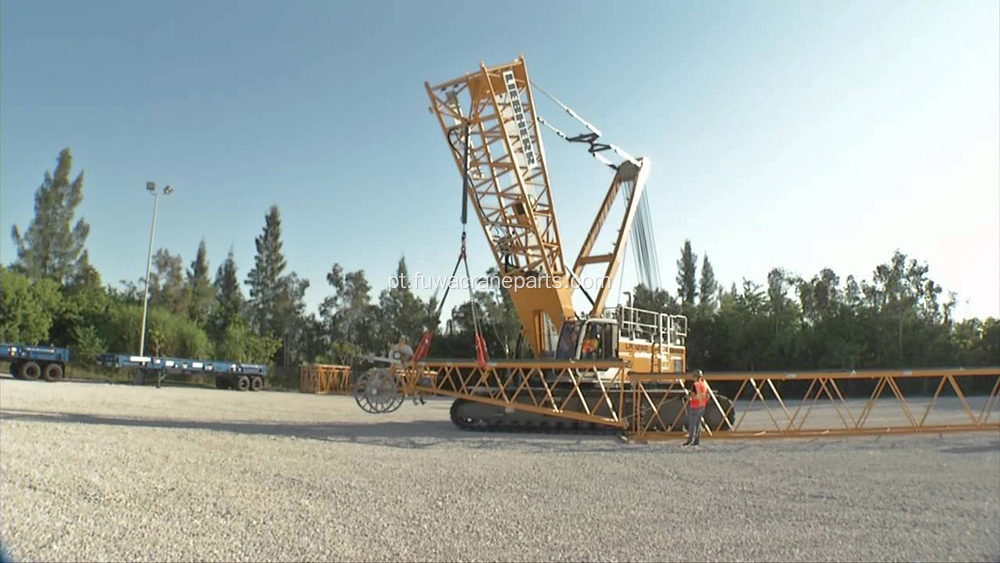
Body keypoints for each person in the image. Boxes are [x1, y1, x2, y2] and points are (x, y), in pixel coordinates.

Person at [683, 370, 709, 447]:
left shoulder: (695, 384)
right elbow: (706, 395)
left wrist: (687, 397)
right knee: (698, 424)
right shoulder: (704, 384)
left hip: (695, 406)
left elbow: (693, 394)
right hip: (702, 406)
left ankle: (690, 440)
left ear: (695, 377)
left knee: (692, 424)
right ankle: (696, 441)